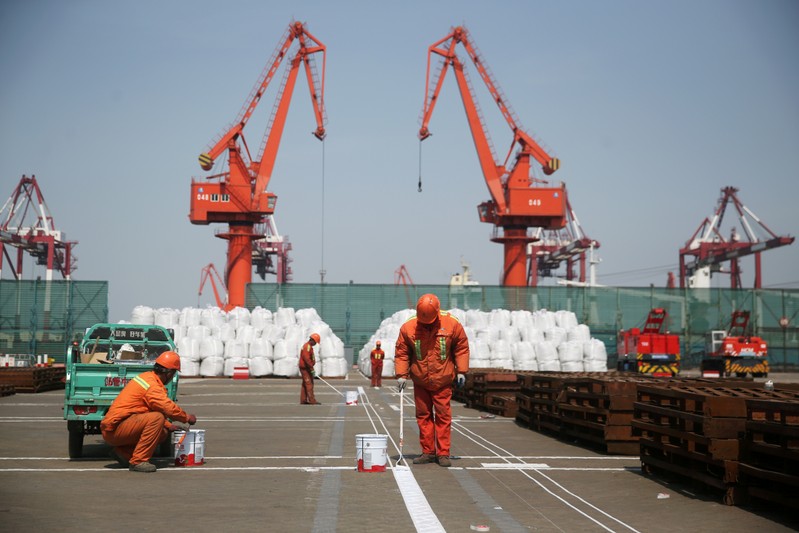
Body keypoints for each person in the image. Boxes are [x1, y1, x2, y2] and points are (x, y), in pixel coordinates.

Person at [395, 293, 469, 467]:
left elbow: (461, 347)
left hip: (442, 381)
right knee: (423, 416)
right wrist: (401, 375)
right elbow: (402, 352)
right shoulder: (408, 327)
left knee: (443, 416)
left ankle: (443, 453)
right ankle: (428, 452)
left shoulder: (452, 324)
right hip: (421, 380)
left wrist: (462, 371)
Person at [100, 351, 197, 473]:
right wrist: (186, 417)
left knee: (162, 432)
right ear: (169, 373)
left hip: (119, 427)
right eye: (173, 374)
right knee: (157, 418)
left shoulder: (148, 378)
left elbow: (146, 410)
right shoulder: (152, 385)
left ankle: (124, 454)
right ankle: (138, 461)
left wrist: (169, 425)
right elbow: (166, 407)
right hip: (115, 429)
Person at [299, 333, 322, 405]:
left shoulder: (308, 346)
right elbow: (307, 359)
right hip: (306, 368)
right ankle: (312, 401)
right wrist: (312, 369)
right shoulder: (307, 347)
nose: (315, 344)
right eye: (315, 342)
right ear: (312, 340)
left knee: (305, 384)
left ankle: (303, 400)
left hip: (307, 367)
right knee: (309, 384)